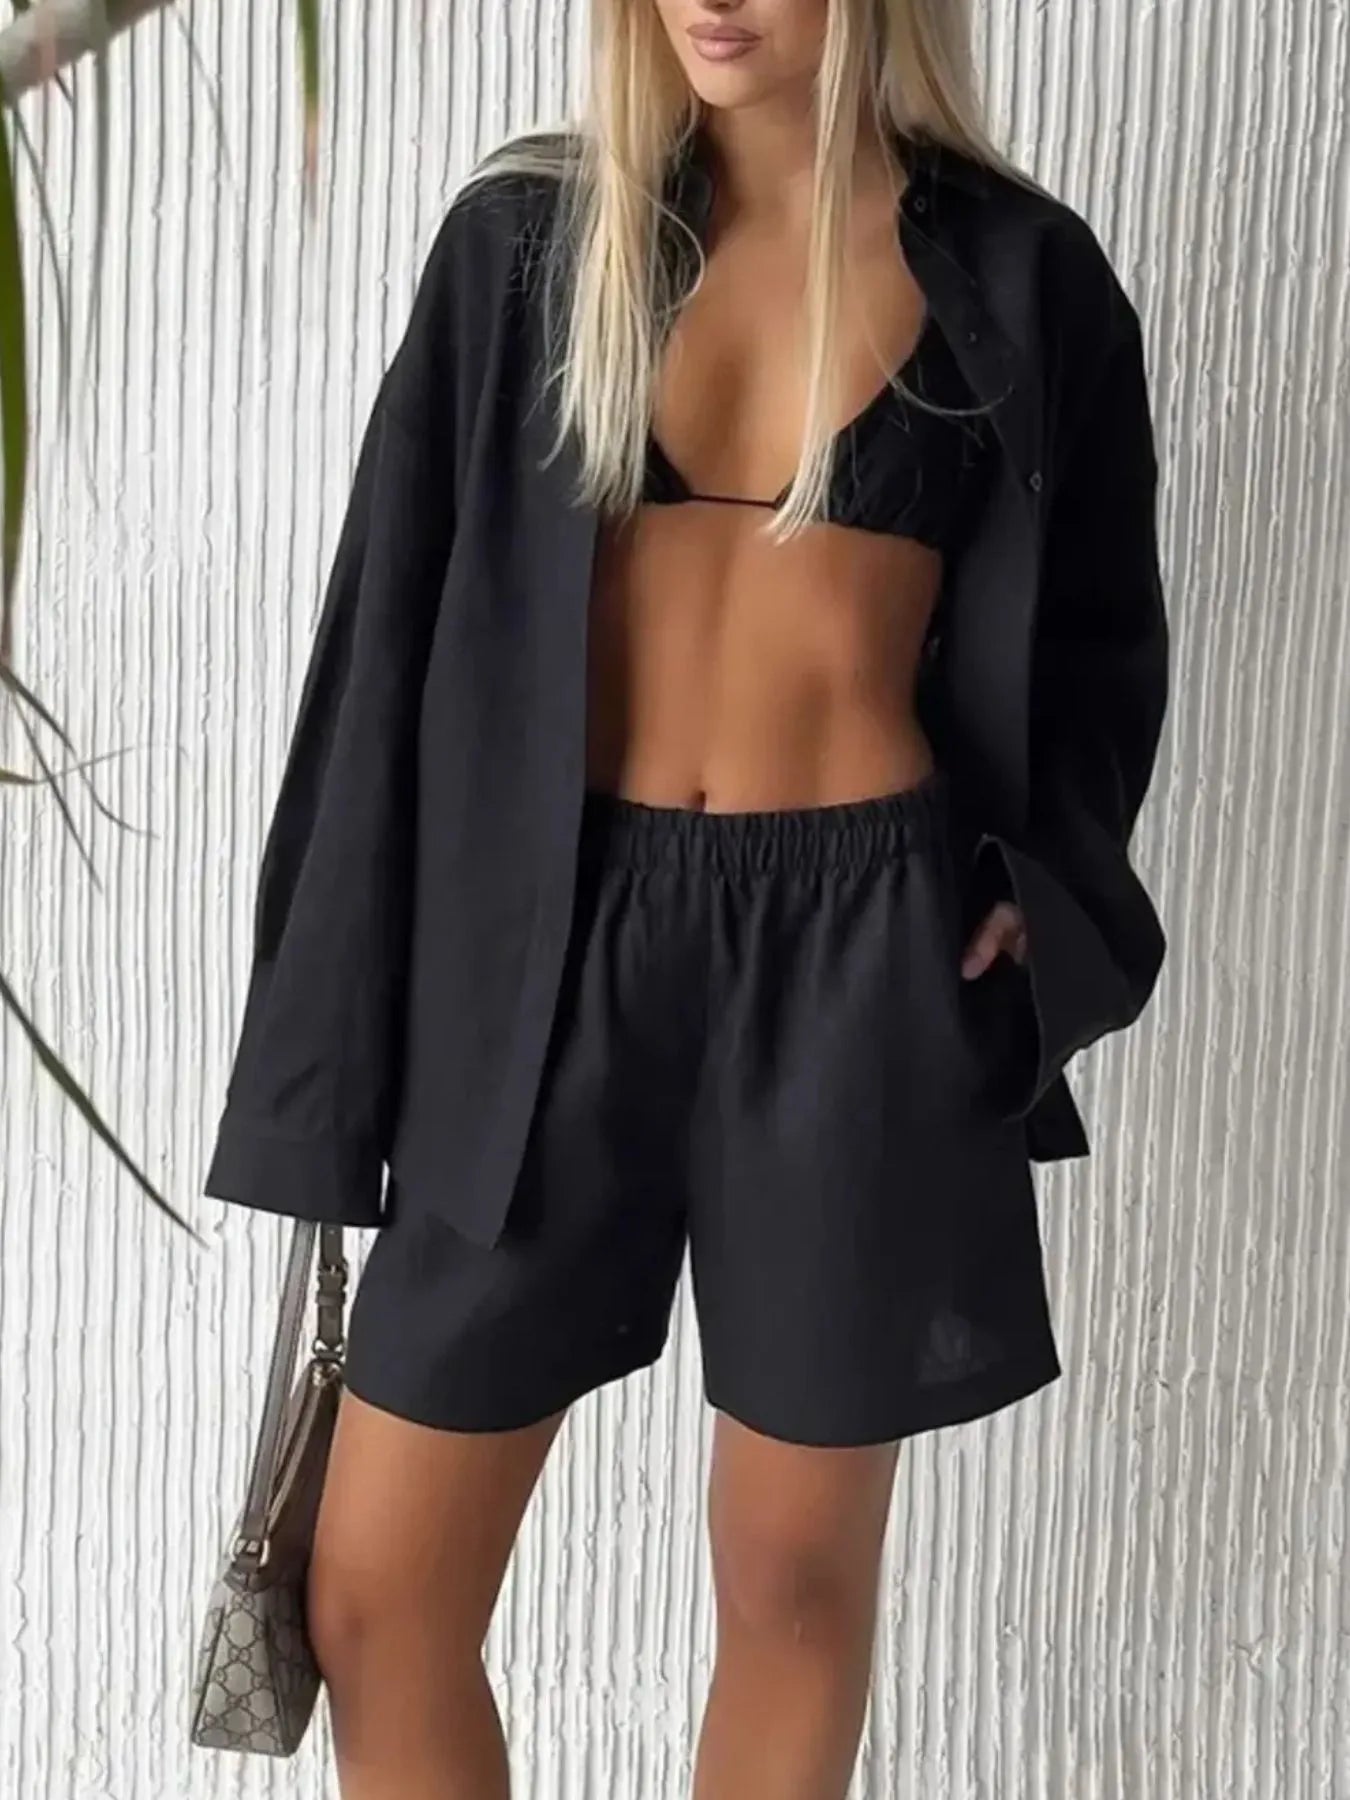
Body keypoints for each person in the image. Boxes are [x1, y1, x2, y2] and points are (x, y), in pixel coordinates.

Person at [201, 0, 1169, 1793]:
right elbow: (380, 660)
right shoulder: (525, 245)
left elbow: (1102, 652)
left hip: (861, 961)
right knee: (375, 1594)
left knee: (789, 1587)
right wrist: (321, 1088)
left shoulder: (1024, 279)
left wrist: (1048, 901)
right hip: (545, 957)